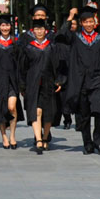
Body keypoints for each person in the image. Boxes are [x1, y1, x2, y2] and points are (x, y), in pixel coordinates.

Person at [62, 7, 100, 155]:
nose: (89, 24)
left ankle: (99, 141)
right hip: (81, 81)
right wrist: (71, 16)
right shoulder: (76, 39)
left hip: (98, 81)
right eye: (86, 22)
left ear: (95, 22)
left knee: (99, 111)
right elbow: (63, 34)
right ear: (82, 23)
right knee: (84, 115)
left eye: (91, 21)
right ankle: (88, 144)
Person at [19, 17, 65, 154]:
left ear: (46, 31)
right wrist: (22, 86)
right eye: (37, 29)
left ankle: (45, 138)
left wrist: (59, 80)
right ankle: (38, 139)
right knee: (36, 111)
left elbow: (58, 65)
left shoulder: (52, 47)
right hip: (32, 84)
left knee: (49, 112)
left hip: (48, 83)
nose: (39, 31)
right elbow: (22, 68)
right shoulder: (27, 48)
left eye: (42, 29)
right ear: (33, 31)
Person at [0, 14, 23, 149]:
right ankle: (4, 136)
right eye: (3, 25)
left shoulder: (16, 44)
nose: (5, 27)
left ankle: (12, 134)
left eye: (7, 25)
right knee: (1, 110)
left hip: (13, 81)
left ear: (11, 26)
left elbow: (21, 64)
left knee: (11, 107)